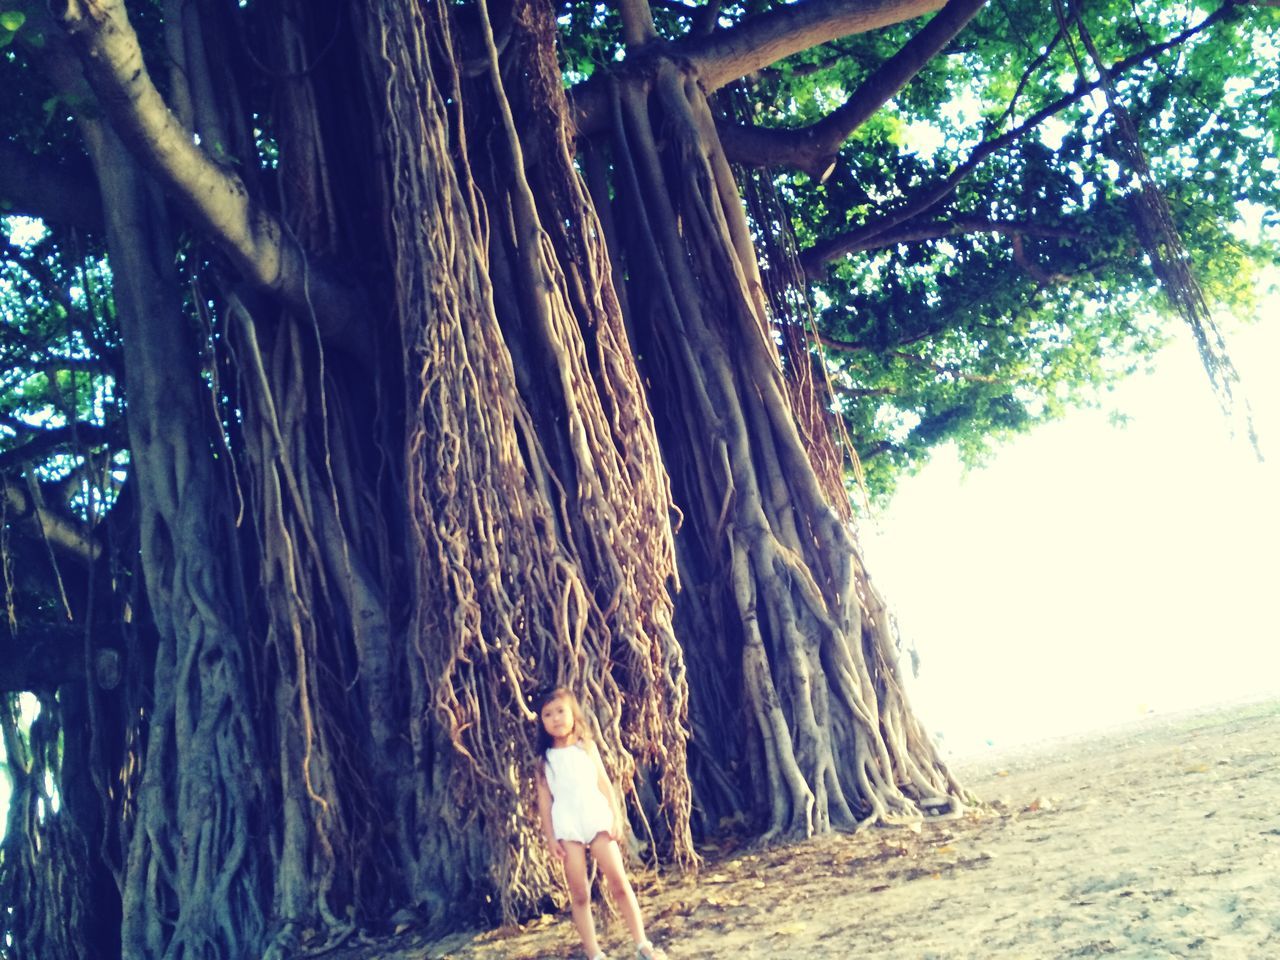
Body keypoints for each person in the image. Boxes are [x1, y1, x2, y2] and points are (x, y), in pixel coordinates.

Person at [534, 686, 668, 960]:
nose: (556, 718)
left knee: (619, 883)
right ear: (541, 722)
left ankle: (642, 944)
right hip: (567, 825)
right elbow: (545, 803)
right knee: (580, 892)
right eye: (548, 714)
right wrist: (550, 838)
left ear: (574, 714)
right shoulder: (544, 761)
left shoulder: (587, 747)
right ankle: (595, 953)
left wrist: (616, 817)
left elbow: (604, 784)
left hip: (595, 817)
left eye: (561, 711)